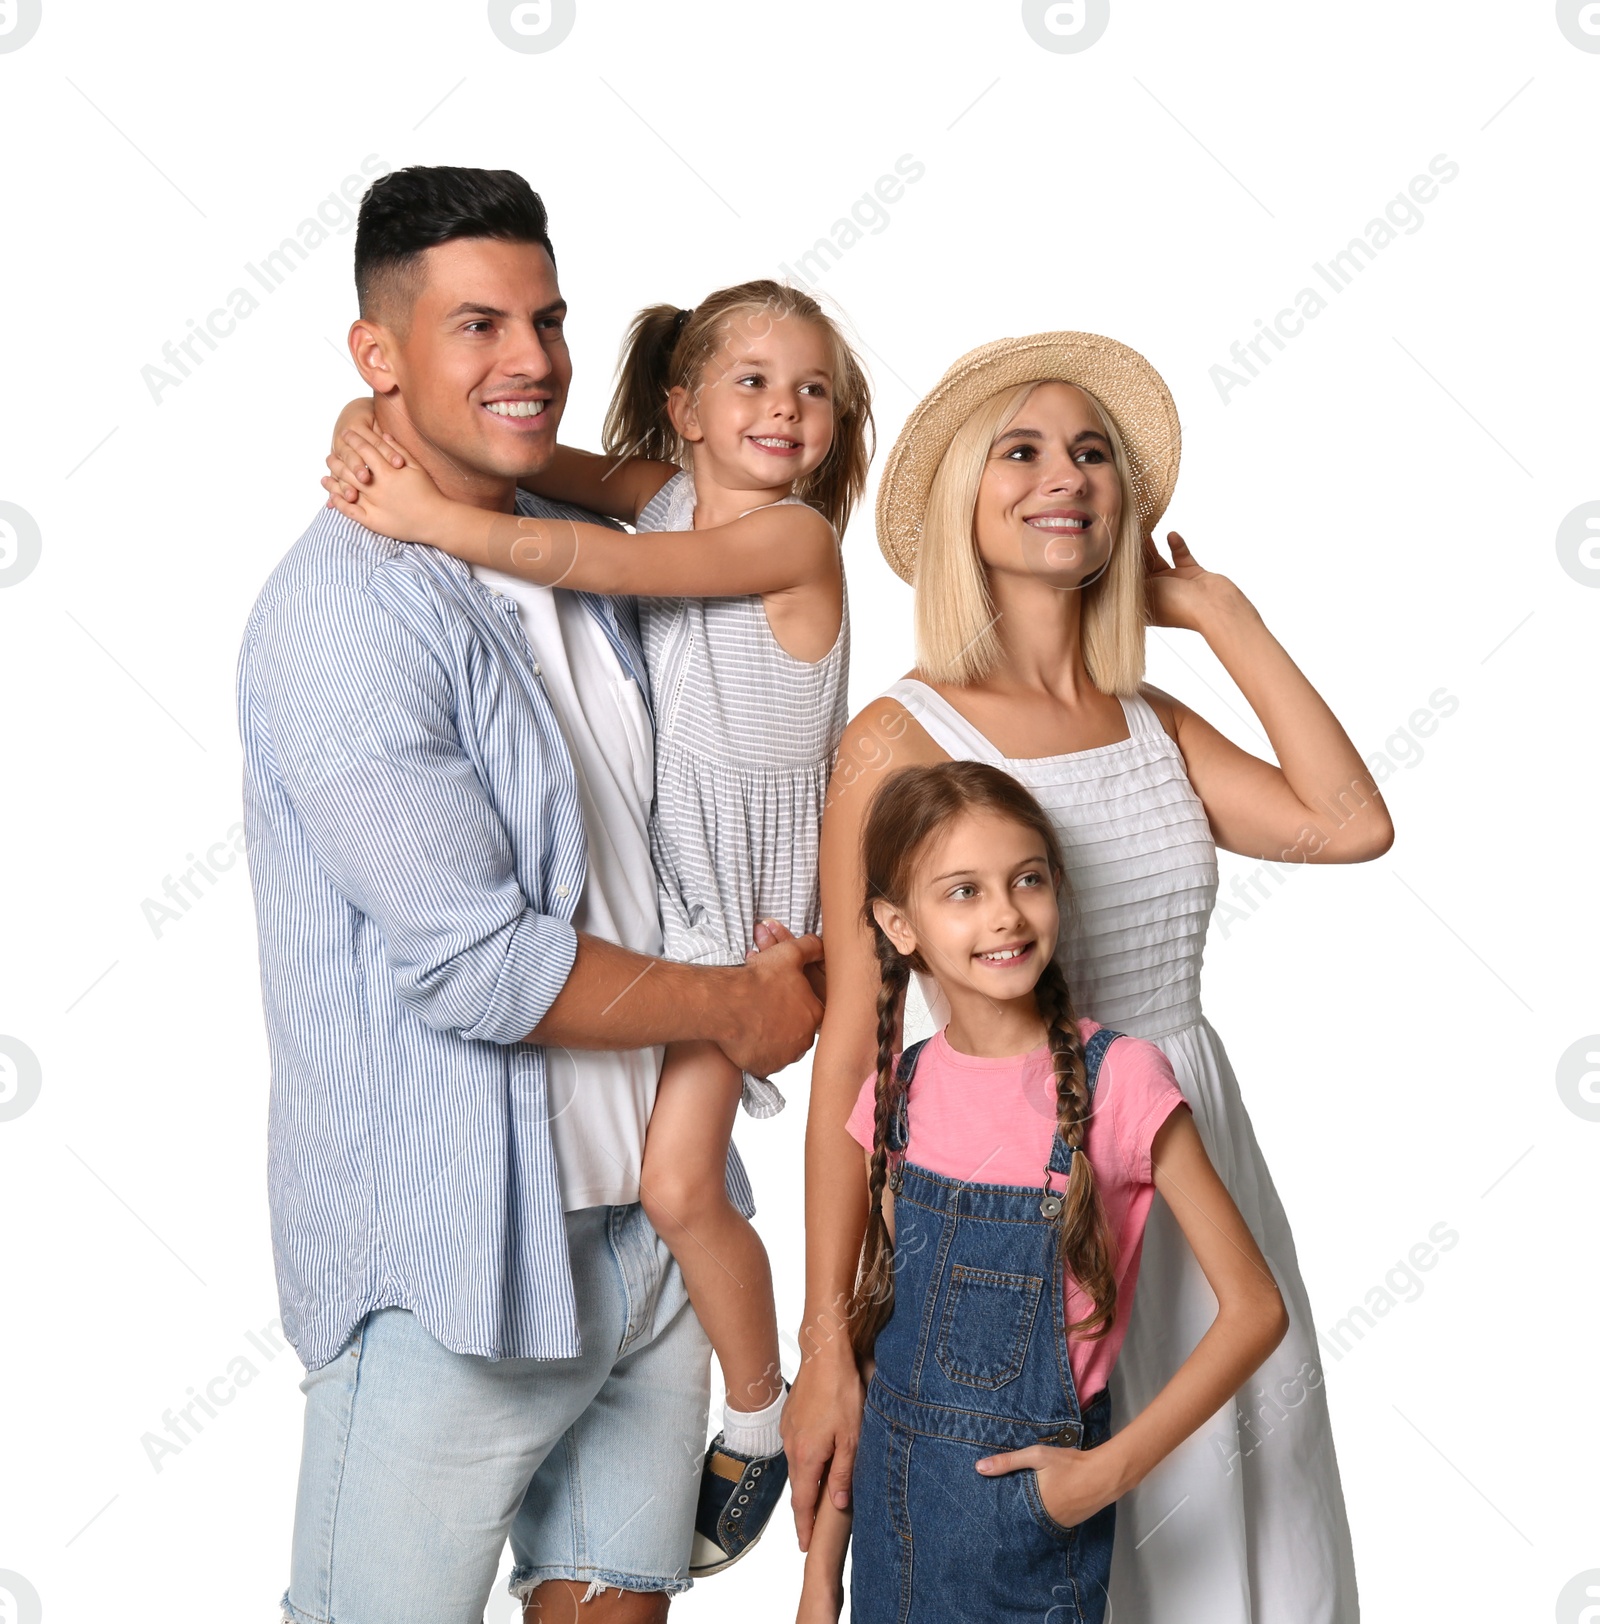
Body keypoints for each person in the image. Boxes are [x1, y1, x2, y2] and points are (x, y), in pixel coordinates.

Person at [238, 165, 824, 1624]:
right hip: (461, 1265)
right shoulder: (341, 620)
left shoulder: (606, 571)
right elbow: (483, 966)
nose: (535, 361)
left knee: (618, 1607)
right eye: (477, 326)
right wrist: (743, 1006)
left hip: (652, 1236)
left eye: (549, 321)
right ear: (377, 356)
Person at [786, 333, 1392, 1622]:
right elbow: (854, 1048)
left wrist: (1221, 617)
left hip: (1186, 1152)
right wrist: (825, 1337)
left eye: (1092, 452)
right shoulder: (899, 737)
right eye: (1021, 449)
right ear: (964, 497)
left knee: (1234, 1540)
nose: (1063, 475)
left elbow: (1347, 822)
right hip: (1016, 1209)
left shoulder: (1152, 720)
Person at [794, 760, 1286, 1622]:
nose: (1005, 914)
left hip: (1028, 1546)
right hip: (889, 1524)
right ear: (897, 925)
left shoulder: (1121, 1082)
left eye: (1027, 879)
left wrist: (1103, 1476)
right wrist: (817, 1580)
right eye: (963, 892)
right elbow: (879, 1346)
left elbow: (1255, 1309)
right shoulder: (896, 1094)